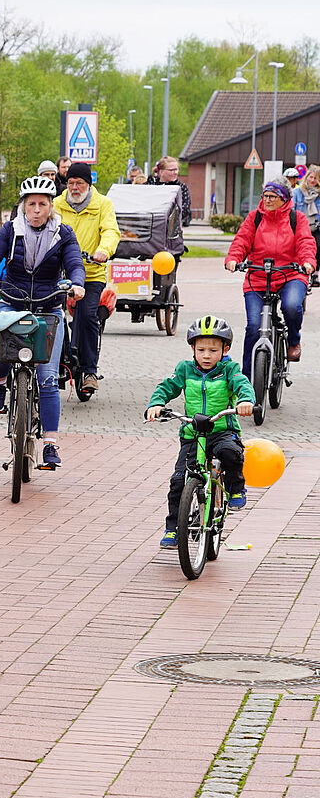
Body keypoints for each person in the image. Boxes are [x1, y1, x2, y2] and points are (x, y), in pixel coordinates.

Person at [0, 175, 86, 470]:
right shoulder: (11, 230)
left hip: (49, 308)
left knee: (47, 378)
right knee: (1, 352)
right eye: (31, 204)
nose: (37, 210)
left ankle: (50, 444)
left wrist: (76, 282)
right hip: (12, 301)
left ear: (51, 206)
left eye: (43, 204)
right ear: (23, 206)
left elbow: (74, 262)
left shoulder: (64, 233)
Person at [146, 316, 254, 548]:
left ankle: (236, 488)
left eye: (213, 350)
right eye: (201, 349)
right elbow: (167, 386)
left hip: (222, 430)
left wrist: (245, 400)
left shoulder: (229, 369)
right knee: (178, 482)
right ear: (192, 348)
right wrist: (156, 403)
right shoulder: (185, 369)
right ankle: (173, 528)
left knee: (230, 453)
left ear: (225, 349)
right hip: (193, 434)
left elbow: (242, 384)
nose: (207, 355)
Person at [224, 181, 317, 365]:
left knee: (291, 306)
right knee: (253, 328)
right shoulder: (254, 218)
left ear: (284, 199)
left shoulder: (296, 218)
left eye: (272, 196)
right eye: (265, 196)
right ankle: (247, 382)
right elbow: (242, 240)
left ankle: (293, 341)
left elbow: (305, 242)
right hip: (258, 276)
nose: (267, 200)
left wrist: (307, 262)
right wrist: (233, 258)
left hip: (290, 274)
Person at [53, 161, 120, 395]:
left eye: (79, 183)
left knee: (87, 316)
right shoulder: (57, 204)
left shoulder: (102, 204)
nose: (74, 187)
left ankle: (89, 370)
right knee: (51, 315)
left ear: (88, 184)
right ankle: (53, 363)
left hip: (91, 272)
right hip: (59, 273)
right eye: (70, 183)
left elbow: (111, 230)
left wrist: (104, 250)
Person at [146, 156, 192, 226]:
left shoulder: (181, 188)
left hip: (172, 228)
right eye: (171, 170)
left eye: (176, 170)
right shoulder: (150, 186)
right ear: (161, 172)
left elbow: (184, 209)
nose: (175, 173)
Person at [292, 166, 320, 255]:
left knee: (316, 257)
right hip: (300, 230)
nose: (312, 180)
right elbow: (291, 211)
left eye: (316, 178)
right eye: (311, 177)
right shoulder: (297, 192)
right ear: (306, 177)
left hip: (316, 230)